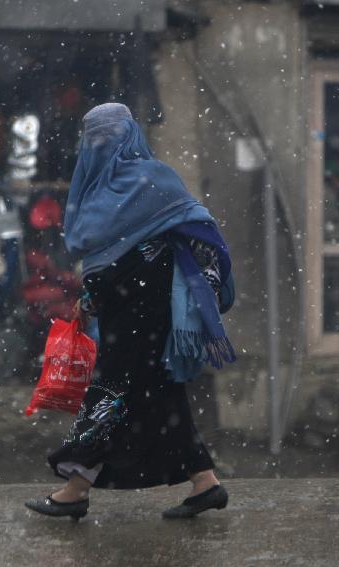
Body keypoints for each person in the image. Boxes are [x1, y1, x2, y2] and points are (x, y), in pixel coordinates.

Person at [25, 103, 236, 521]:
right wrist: (90, 300)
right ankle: (205, 482)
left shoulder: (156, 181)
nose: (102, 147)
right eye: (94, 139)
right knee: (161, 393)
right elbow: (101, 262)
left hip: (150, 314)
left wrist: (199, 295)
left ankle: (76, 486)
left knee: (111, 389)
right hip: (119, 313)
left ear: (130, 136)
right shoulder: (96, 192)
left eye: (109, 137)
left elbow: (200, 230)